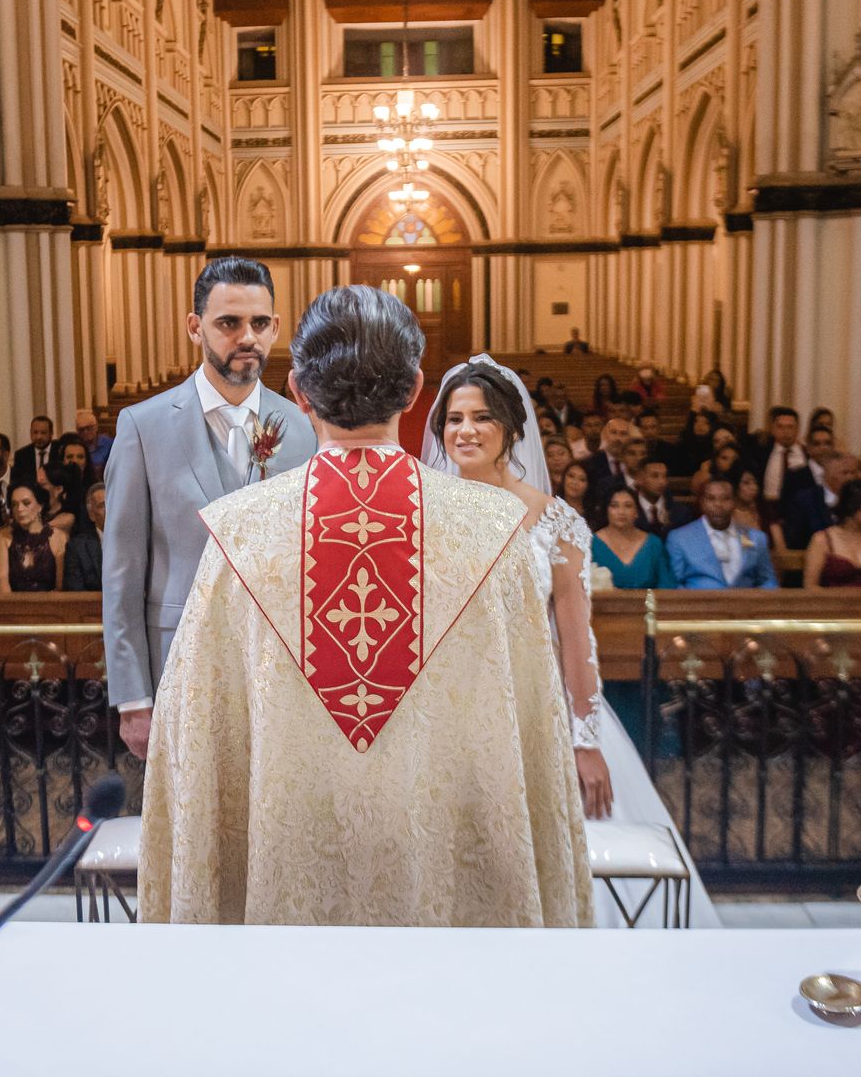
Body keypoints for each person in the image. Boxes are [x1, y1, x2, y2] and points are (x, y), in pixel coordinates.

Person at [141, 288, 592, 927]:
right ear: (415, 391)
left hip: (289, 882)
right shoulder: (495, 532)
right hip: (448, 888)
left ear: (297, 391)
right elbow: (534, 737)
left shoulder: (241, 536)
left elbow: (193, 738)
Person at [423, 355, 717, 928]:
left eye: (481, 417)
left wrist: (585, 742)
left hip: (538, 713)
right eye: (454, 419)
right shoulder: (424, 514)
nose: (464, 430)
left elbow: (575, 637)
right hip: (449, 713)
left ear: (511, 428)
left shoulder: (554, 520)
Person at [104, 257, 319, 759]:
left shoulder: (303, 429)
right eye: (229, 323)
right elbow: (122, 573)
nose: (247, 337)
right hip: (178, 663)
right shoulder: (143, 427)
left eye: (260, 323)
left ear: (276, 328)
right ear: (195, 327)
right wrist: (133, 699)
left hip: (279, 671)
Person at [668, 477, 778, 590]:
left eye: (725, 499)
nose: (718, 504)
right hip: (698, 606)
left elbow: (768, 581)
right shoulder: (679, 538)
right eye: (711, 498)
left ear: (734, 502)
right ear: (702, 502)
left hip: (745, 606)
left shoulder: (756, 538)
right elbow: (674, 584)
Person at [773, 438, 849, 552]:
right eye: (845, 473)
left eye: (853, 472)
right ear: (828, 474)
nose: (851, 477)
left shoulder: (860, 499)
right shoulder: (804, 500)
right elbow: (793, 542)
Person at [591, 487, 674, 590]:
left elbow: (667, 587)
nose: (621, 512)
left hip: (649, 605)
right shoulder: (590, 544)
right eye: (614, 506)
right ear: (606, 511)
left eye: (628, 506)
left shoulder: (654, 544)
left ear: (637, 512)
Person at [0, 483, 65, 592]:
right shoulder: (4, 537)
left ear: (40, 506)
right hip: (12, 606)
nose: (19, 509)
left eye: (26, 503)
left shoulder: (59, 537)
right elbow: (2, 584)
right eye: (14, 504)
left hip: (50, 605)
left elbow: (60, 588)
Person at [630, 446, 691, 537]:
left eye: (664, 476)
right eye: (655, 476)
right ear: (639, 479)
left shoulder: (680, 513)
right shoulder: (627, 510)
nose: (662, 482)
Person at [62, 482, 107, 591]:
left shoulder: (134, 542)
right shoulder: (77, 547)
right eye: (103, 505)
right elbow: (75, 591)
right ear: (91, 514)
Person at [582, 416, 634, 490]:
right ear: (604, 436)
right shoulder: (590, 463)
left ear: (629, 439)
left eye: (623, 434)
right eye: (613, 432)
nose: (617, 438)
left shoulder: (635, 464)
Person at [12, 415, 56, 493]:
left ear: (51, 434)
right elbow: (18, 483)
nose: (39, 437)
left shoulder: (59, 450)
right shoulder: (21, 455)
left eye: (43, 433)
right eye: (35, 432)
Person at [74, 408, 113, 473]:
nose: (85, 432)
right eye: (81, 430)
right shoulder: (75, 446)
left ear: (96, 427)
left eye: (88, 428)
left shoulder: (109, 444)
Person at [730, 466, 765, 535]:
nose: (754, 488)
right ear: (735, 486)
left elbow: (780, 544)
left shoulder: (763, 512)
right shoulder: (725, 515)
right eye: (746, 483)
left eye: (756, 483)